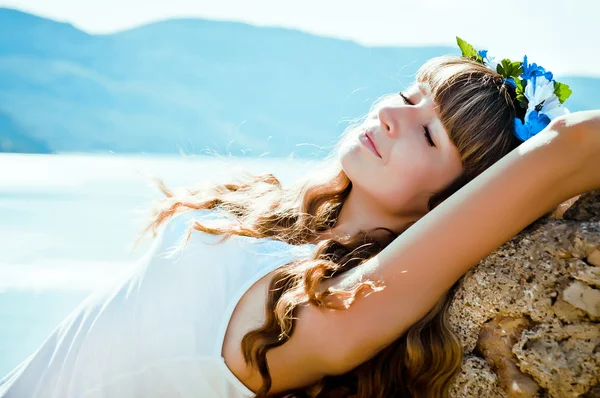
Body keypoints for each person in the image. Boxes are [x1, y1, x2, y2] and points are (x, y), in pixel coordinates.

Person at [1, 40, 599, 398]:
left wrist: (544, 155)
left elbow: (567, 150)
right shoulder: (274, 218)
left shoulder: (322, 316)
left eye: (429, 134)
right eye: (413, 94)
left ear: (457, 200)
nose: (392, 112)